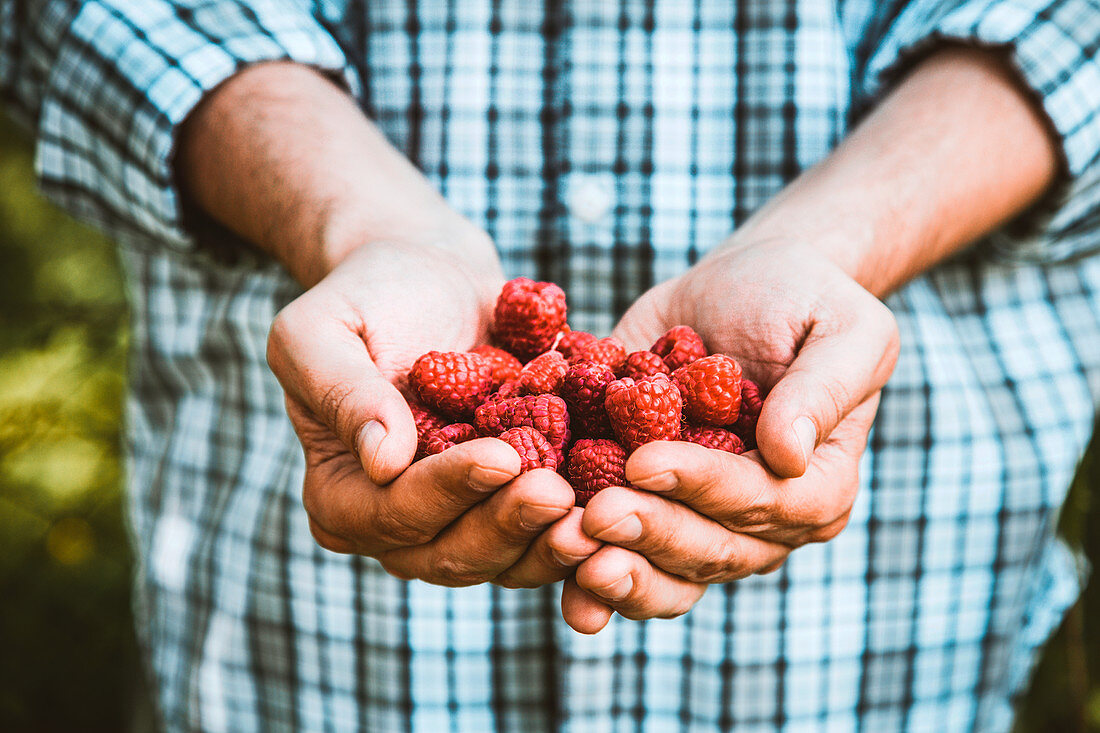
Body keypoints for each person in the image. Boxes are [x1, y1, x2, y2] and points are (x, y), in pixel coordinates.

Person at [4, 0, 1100, 730]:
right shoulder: (561, 387)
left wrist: (835, 241)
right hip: (311, 659)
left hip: (885, 635)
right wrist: (351, 218)